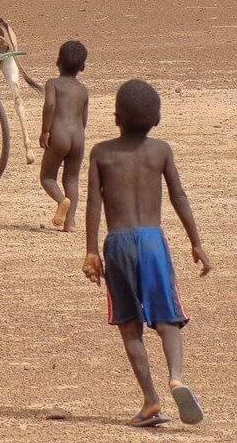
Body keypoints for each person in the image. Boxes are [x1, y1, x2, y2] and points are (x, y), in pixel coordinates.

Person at [84, 79, 210, 428]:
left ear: (115, 118)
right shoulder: (161, 150)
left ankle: (151, 399)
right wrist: (196, 242)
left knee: (129, 324)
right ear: (157, 119)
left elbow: (94, 201)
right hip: (154, 242)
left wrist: (91, 250)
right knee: (168, 318)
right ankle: (177, 377)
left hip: (118, 242)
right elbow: (179, 197)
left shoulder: (101, 153)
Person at [39, 40, 89, 231]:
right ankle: (70, 222)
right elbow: (84, 118)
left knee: (47, 177)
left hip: (58, 135)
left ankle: (61, 201)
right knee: (72, 179)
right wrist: (79, 134)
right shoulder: (83, 90)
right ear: (83, 67)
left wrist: (45, 130)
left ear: (57, 61)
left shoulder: (53, 84)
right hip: (78, 137)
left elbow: (50, 105)